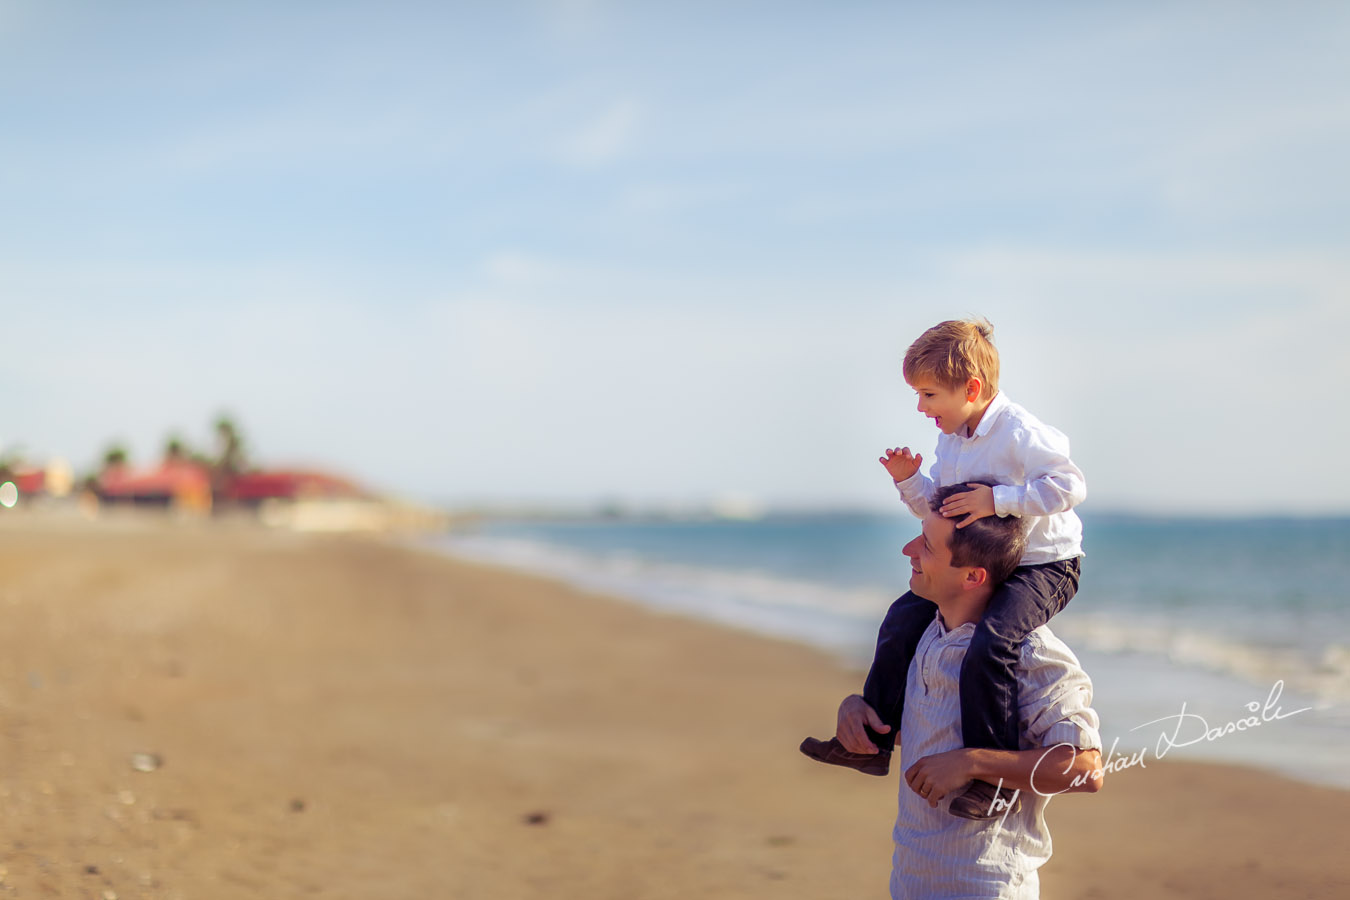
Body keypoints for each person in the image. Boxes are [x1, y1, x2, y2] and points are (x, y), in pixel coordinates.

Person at [801, 318, 1087, 819]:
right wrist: (910, 481)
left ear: (971, 389)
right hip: (986, 564)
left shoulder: (1020, 432)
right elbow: (941, 516)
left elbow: (1069, 488)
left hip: (1044, 565)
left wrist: (999, 499)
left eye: (929, 394)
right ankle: (870, 742)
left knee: (992, 643)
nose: (921, 407)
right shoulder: (954, 439)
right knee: (901, 618)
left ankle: (990, 782)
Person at [833, 483, 1104, 899]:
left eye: (926, 544)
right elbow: (931, 729)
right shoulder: (927, 636)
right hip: (911, 876)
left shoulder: (1030, 653)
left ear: (974, 576)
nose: (908, 550)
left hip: (985, 883)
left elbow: (1084, 769)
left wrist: (973, 762)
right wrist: (857, 711)